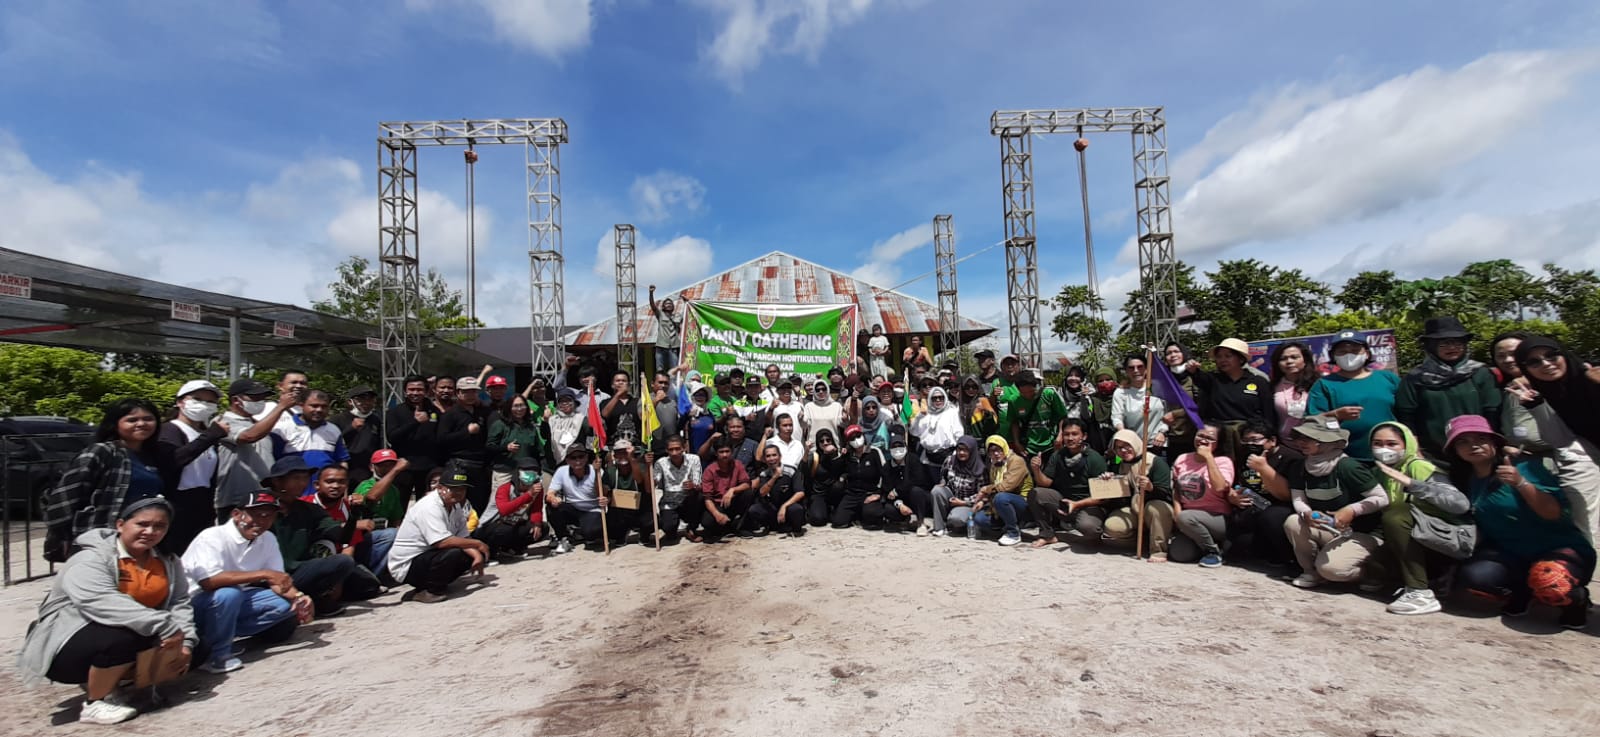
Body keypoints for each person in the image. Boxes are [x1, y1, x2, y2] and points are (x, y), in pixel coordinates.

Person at [18, 497, 195, 725]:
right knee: (123, 636)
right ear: (120, 525)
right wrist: (167, 627)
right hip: (68, 642)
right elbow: (100, 602)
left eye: (159, 526)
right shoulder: (90, 558)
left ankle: (130, 685)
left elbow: (179, 602)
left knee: (198, 647)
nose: (150, 531)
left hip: (139, 630)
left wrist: (187, 642)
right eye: (142, 524)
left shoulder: (168, 560)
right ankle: (95, 702)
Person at [1446, 415, 1593, 628]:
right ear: (1454, 450)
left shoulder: (1525, 467)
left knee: (1553, 584)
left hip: (1558, 547)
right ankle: (1522, 592)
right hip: (1511, 553)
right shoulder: (1464, 479)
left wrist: (1520, 483)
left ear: (1495, 442)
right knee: (1475, 577)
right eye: (1463, 441)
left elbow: (1553, 513)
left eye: (1480, 438)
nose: (1474, 446)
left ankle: (1576, 602)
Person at [181, 493, 312, 674]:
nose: (263, 521)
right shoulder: (212, 536)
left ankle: (220, 637)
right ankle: (217, 656)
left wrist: (299, 597)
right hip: (194, 605)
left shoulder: (268, 539)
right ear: (237, 514)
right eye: (257, 514)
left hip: (234, 600)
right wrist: (264, 573)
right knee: (229, 593)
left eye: (269, 516)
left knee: (284, 605)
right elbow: (209, 581)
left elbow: (277, 581)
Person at [44, 399, 178, 562]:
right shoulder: (101, 452)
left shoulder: (155, 456)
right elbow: (64, 498)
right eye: (132, 420)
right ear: (115, 424)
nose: (141, 424)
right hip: (102, 537)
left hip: (142, 538)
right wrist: (62, 535)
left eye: (148, 419)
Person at [1364, 421, 1471, 616]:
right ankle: (1407, 584)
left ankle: (1420, 593)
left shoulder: (1419, 466)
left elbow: (1459, 504)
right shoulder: (1379, 471)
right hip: (1415, 537)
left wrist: (1412, 484)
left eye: (1391, 444)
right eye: (1377, 444)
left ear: (1406, 445)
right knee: (1373, 566)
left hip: (1444, 539)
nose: (1383, 449)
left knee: (1396, 515)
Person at [1508, 334, 1600, 546]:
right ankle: (1587, 556)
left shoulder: (1592, 373)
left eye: (1551, 355)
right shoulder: (1541, 392)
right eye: (1534, 361)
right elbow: (1560, 440)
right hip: (1588, 450)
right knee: (1581, 501)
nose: (1546, 364)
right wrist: (1537, 406)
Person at [1280, 414, 1387, 588]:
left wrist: (1352, 510)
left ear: (1327, 441)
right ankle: (1310, 572)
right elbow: (1298, 498)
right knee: (1293, 522)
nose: (1301, 442)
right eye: (1300, 437)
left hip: (1361, 532)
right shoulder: (1300, 467)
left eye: (1309, 438)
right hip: (1329, 528)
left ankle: (1369, 572)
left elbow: (1381, 498)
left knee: (1332, 570)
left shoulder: (1348, 466)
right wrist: (1305, 513)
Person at [261, 457, 372, 615]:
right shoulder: (260, 508)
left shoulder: (309, 509)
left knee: (343, 561)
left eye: (305, 478)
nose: (302, 483)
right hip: (264, 575)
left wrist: (353, 517)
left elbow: (341, 537)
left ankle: (314, 598)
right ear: (278, 482)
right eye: (296, 478)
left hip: (297, 571)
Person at [1394, 316, 1501, 463]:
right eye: (1444, 343)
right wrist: (1416, 451)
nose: (1452, 347)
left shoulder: (1481, 373)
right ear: (1431, 346)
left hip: (1478, 453)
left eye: (1457, 342)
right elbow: (1407, 417)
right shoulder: (1415, 378)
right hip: (1434, 456)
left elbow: (1493, 412)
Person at [384, 463, 490, 603]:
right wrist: (478, 544)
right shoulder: (429, 506)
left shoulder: (456, 505)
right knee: (455, 552)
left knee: (471, 551)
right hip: (407, 564)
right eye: (453, 488)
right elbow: (442, 542)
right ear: (440, 488)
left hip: (429, 555)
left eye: (462, 489)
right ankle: (429, 591)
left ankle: (432, 585)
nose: (458, 492)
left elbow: (463, 536)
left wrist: (477, 555)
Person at [1306, 330, 1399, 461]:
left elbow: (1407, 413)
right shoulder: (1324, 385)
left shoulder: (1388, 379)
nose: (1349, 355)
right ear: (1334, 356)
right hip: (1348, 459)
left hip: (1392, 455)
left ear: (1366, 353)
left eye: (1355, 350)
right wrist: (1336, 415)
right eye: (1342, 352)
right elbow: (1311, 422)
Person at [157, 380, 227, 554]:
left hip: (202, 503)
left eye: (210, 402)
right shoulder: (170, 430)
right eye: (197, 399)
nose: (204, 405)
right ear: (180, 402)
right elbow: (174, 460)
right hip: (177, 504)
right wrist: (212, 435)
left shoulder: (206, 434)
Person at [214, 378, 299, 517]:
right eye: (255, 397)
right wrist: (281, 407)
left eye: (263, 397)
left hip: (264, 497)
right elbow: (248, 436)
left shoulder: (258, 423)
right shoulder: (222, 422)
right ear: (236, 400)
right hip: (236, 500)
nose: (260, 401)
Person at [305, 464, 396, 587]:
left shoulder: (347, 507)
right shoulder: (305, 504)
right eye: (329, 482)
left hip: (340, 556)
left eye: (341, 482)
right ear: (317, 485)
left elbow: (349, 545)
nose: (336, 486)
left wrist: (343, 569)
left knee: (370, 584)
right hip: (312, 558)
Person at [1027, 418, 1108, 547]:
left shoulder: (1094, 458)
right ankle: (1047, 535)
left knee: (1090, 528)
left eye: (1074, 434)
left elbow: (1103, 496)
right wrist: (1036, 470)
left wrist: (1076, 504)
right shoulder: (1058, 455)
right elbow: (1045, 483)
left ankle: (1094, 537)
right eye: (1066, 434)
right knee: (1036, 493)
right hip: (1064, 502)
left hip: (1089, 505)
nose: (1070, 438)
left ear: (1084, 436)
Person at [1167, 425, 1240, 567]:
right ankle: (1210, 544)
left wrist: (1208, 457)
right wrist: (1177, 512)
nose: (1203, 440)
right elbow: (1176, 488)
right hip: (1189, 519)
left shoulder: (1224, 461)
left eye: (1210, 438)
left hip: (1217, 517)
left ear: (1218, 443)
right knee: (1179, 554)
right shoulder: (1182, 458)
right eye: (1200, 435)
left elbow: (1220, 487)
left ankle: (1212, 552)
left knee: (1186, 517)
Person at [1100, 429, 1176, 559]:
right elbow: (1120, 500)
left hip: (1155, 507)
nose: (1123, 451)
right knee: (1113, 526)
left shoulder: (1156, 462)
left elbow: (1166, 493)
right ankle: (1142, 542)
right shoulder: (1118, 466)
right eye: (1118, 448)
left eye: (1127, 446)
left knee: (1156, 509)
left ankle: (1158, 550)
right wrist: (1111, 483)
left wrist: (1151, 488)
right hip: (1133, 509)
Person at [1189, 338, 1277, 431]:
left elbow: (1268, 413)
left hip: (1249, 436)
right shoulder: (1212, 380)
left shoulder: (1259, 382)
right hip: (1221, 436)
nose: (1222, 360)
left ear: (1241, 359)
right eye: (1219, 357)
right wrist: (1193, 369)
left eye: (1228, 356)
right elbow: (1198, 376)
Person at [438, 376, 494, 514]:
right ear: (458, 393)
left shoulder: (482, 412)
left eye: (473, 392)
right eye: (466, 392)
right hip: (459, 464)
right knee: (457, 501)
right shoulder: (450, 414)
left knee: (480, 501)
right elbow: (441, 439)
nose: (471, 395)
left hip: (480, 465)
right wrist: (466, 432)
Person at [968, 435, 1033, 546]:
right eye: (992, 451)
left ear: (1005, 448)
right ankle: (1005, 526)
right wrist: (983, 501)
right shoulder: (994, 465)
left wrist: (985, 489)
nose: (996, 454)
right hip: (1003, 504)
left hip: (1023, 503)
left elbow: (1006, 487)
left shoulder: (1016, 461)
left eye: (999, 450)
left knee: (1001, 497)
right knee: (979, 518)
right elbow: (995, 487)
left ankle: (1013, 533)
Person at [385, 375, 440, 502]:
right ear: (405, 391)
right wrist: (415, 422)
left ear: (426, 391)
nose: (415, 393)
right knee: (399, 505)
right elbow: (392, 437)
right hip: (404, 467)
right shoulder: (395, 412)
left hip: (428, 468)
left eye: (419, 389)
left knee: (426, 505)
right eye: (411, 389)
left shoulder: (434, 411)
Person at [474, 457, 545, 556]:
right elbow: (504, 510)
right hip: (490, 526)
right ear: (518, 472)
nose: (530, 473)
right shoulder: (505, 488)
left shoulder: (537, 489)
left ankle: (511, 548)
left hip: (514, 524)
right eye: (526, 470)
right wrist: (528, 495)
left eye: (534, 471)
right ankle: (490, 553)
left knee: (543, 527)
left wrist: (537, 524)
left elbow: (537, 508)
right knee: (505, 529)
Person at [544, 446, 609, 552]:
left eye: (581, 457)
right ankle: (564, 538)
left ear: (586, 457)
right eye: (573, 458)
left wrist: (597, 475)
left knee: (590, 532)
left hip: (592, 510)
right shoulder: (561, 471)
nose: (578, 461)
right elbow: (550, 494)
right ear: (567, 460)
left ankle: (584, 533)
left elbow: (603, 493)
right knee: (551, 507)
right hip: (573, 508)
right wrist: (553, 499)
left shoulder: (597, 471)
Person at [650, 436, 705, 544]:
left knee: (699, 496)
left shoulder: (694, 459)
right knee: (669, 530)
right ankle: (672, 528)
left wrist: (693, 485)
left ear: (684, 448)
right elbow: (654, 483)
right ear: (666, 450)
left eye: (677, 449)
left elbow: (698, 484)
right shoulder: (661, 462)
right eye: (671, 449)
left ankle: (691, 529)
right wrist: (649, 467)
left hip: (688, 500)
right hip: (669, 502)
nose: (674, 453)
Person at [1111, 354, 1168, 456]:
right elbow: (1117, 417)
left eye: (1140, 367)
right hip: (1132, 447)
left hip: (1158, 445)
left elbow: (1168, 413)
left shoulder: (1159, 388)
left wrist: (1163, 432)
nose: (1136, 371)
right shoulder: (1120, 392)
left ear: (1146, 369)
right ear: (1126, 371)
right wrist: (1124, 435)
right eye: (1131, 368)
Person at [929, 436, 987, 537]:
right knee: (936, 491)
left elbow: (981, 495)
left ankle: (969, 524)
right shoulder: (950, 460)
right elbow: (943, 475)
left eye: (965, 450)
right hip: (952, 496)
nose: (961, 453)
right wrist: (943, 483)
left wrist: (962, 502)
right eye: (959, 449)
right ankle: (939, 528)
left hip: (967, 503)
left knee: (956, 519)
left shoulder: (980, 469)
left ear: (972, 451)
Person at [909, 386, 964, 492]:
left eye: (941, 397)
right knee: (933, 488)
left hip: (948, 458)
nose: (938, 400)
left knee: (948, 488)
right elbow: (914, 432)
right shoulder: (925, 414)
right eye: (934, 398)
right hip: (930, 459)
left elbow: (959, 434)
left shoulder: (951, 412)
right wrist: (919, 416)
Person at [699, 438, 756, 539]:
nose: (725, 455)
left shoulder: (737, 464)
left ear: (732, 452)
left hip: (733, 500)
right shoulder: (709, 470)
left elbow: (747, 483)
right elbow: (707, 498)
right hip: (718, 503)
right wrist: (716, 514)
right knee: (707, 523)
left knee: (748, 493)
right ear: (716, 453)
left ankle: (741, 527)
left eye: (727, 451)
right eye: (721, 452)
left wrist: (733, 490)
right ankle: (727, 527)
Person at [489, 394, 544, 493]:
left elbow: (537, 451)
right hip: (504, 471)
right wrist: (506, 447)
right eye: (515, 406)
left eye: (522, 405)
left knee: (524, 503)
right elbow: (489, 447)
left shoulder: (530, 427)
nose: (519, 409)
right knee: (501, 503)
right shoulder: (500, 424)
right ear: (509, 408)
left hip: (525, 472)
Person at [1009, 371, 1069, 457]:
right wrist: (1017, 443)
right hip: (1029, 447)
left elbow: (1062, 416)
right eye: (1024, 393)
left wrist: (1060, 435)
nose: (1028, 395)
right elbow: (1014, 422)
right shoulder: (1014, 401)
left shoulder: (1049, 394)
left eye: (1030, 392)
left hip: (1051, 445)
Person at [749, 444, 806, 536]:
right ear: (764, 459)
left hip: (789, 506)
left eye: (774, 455)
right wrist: (774, 477)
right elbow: (762, 493)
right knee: (754, 510)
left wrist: (784, 506)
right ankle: (774, 526)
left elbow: (800, 493)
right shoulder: (764, 474)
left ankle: (792, 527)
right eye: (768, 456)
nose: (771, 459)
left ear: (780, 456)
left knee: (796, 509)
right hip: (773, 508)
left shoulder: (791, 471)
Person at [333, 386, 383, 487]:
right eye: (361, 400)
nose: (366, 403)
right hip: (345, 468)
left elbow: (378, 443)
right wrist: (351, 429)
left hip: (367, 469)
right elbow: (332, 443)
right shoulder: (337, 420)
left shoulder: (375, 420)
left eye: (370, 400)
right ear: (350, 402)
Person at [1269, 342, 1316, 441]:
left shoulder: (1317, 384)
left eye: (1294, 357)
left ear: (1305, 360)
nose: (1289, 361)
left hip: (1315, 443)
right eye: (1283, 359)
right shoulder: (1272, 387)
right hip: (1285, 443)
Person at [353, 449, 409, 529]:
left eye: (391, 465)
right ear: (372, 467)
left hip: (383, 531)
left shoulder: (394, 490)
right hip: (361, 532)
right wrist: (395, 470)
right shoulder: (365, 485)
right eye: (382, 465)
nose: (387, 468)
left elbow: (396, 519)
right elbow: (372, 497)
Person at [803, 428, 847, 526]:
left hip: (834, 493)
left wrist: (841, 457)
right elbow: (804, 470)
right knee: (818, 519)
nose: (825, 443)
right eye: (821, 441)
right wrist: (807, 451)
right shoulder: (814, 457)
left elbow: (844, 470)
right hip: (819, 494)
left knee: (839, 519)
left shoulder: (839, 455)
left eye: (828, 440)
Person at [544, 389, 590, 467]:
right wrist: (545, 421)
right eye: (561, 401)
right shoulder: (552, 419)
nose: (565, 403)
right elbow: (544, 435)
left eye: (568, 400)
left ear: (574, 403)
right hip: (555, 462)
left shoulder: (581, 419)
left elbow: (591, 432)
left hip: (576, 461)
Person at [648, 285, 683, 373]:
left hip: (673, 347)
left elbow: (686, 313)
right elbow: (652, 305)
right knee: (660, 369)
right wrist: (651, 293)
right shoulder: (660, 314)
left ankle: (673, 386)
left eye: (670, 304)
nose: (669, 305)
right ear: (663, 306)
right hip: (661, 346)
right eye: (667, 304)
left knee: (674, 369)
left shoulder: (677, 316)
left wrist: (686, 302)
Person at [804, 379, 845, 450]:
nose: (821, 392)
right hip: (814, 448)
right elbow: (804, 424)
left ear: (828, 389)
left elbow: (843, 424)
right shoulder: (809, 406)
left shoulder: (837, 406)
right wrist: (801, 417)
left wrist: (845, 419)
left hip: (833, 447)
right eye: (817, 390)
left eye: (823, 389)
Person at [957, 376, 1000, 441]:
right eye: (967, 387)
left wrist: (986, 412)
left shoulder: (982, 401)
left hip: (980, 441)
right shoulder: (960, 402)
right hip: (964, 441)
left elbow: (994, 422)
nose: (971, 389)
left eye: (974, 387)